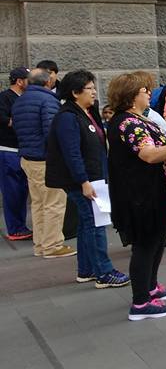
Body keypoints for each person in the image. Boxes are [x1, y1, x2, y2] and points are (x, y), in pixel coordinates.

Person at [106, 73, 166, 320]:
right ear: (133, 95)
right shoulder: (128, 123)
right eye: (145, 90)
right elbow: (148, 155)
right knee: (145, 245)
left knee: (157, 239)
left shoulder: (137, 119)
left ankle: (150, 285)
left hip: (153, 191)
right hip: (140, 194)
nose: (149, 93)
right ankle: (141, 303)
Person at [45, 70, 129, 288]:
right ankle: (104, 272)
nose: (94, 93)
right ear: (75, 92)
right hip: (83, 181)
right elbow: (71, 152)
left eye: (93, 88)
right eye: (89, 89)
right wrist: (83, 182)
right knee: (96, 224)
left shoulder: (87, 112)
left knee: (87, 224)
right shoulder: (67, 117)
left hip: (95, 178)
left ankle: (86, 270)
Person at [12, 68, 73, 258]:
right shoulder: (48, 100)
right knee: (54, 203)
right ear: (48, 82)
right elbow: (52, 132)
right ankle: (53, 245)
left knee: (38, 204)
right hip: (45, 159)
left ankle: (41, 244)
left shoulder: (20, 100)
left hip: (27, 157)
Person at [1, 67, 31, 241]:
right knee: (12, 191)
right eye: (28, 79)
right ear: (19, 81)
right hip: (8, 151)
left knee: (22, 191)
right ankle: (15, 228)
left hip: (23, 150)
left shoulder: (25, 98)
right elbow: (4, 119)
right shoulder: (4, 98)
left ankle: (21, 226)